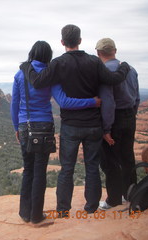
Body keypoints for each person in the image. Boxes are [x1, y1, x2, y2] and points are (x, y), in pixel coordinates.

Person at [20, 24, 131, 216]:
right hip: (93, 125)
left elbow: (37, 82)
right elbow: (114, 79)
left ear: (63, 42)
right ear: (79, 40)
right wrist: (125, 67)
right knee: (92, 167)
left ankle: (63, 210)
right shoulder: (93, 62)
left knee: (66, 169)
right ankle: (91, 208)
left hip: (71, 126)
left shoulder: (58, 63)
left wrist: (27, 66)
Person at [11, 40, 100, 224]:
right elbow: (65, 102)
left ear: (32, 53)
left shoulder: (20, 75)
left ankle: (24, 212)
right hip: (43, 127)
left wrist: (16, 127)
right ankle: (36, 215)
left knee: (28, 169)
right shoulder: (51, 75)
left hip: (24, 125)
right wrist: (92, 102)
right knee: (39, 171)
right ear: (48, 56)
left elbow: (14, 104)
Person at [96, 38, 140, 210]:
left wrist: (106, 129)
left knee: (110, 161)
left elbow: (108, 102)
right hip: (130, 117)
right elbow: (136, 97)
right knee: (127, 157)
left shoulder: (105, 71)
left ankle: (114, 199)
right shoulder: (131, 69)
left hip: (114, 119)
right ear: (115, 50)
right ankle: (131, 195)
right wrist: (132, 114)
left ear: (98, 53)